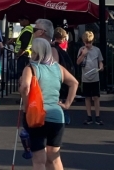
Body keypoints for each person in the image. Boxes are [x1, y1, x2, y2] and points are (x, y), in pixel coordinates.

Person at [19, 38, 78, 170]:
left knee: (39, 160)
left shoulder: (31, 68)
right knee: (54, 158)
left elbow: (25, 88)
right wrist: (67, 104)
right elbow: (74, 83)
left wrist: (26, 106)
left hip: (38, 116)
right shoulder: (58, 68)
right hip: (57, 116)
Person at [76, 30, 104, 125]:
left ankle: (97, 116)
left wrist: (101, 66)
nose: (88, 44)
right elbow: (78, 62)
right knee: (87, 97)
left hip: (95, 77)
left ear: (93, 41)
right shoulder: (81, 50)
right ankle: (89, 116)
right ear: (84, 41)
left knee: (96, 97)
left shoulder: (97, 50)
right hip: (86, 77)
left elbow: (100, 61)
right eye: (86, 42)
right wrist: (83, 54)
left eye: (90, 42)